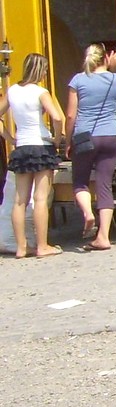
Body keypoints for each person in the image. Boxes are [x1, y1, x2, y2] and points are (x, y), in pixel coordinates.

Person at [0, 52, 66, 257]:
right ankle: (42, 246)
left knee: (19, 200)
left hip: (22, 147)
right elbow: (57, 117)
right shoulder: (41, 92)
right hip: (41, 146)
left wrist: (10, 138)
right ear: (40, 70)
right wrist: (57, 138)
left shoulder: (12, 91)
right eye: (45, 70)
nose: (45, 73)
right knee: (40, 198)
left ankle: (21, 247)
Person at [66, 42, 116, 251]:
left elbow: (71, 115)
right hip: (110, 136)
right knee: (105, 186)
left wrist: (68, 141)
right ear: (106, 57)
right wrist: (113, 68)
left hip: (85, 137)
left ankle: (88, 214)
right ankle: (103, 237)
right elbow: (113, 85)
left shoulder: (78, 80)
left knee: (80, 182)